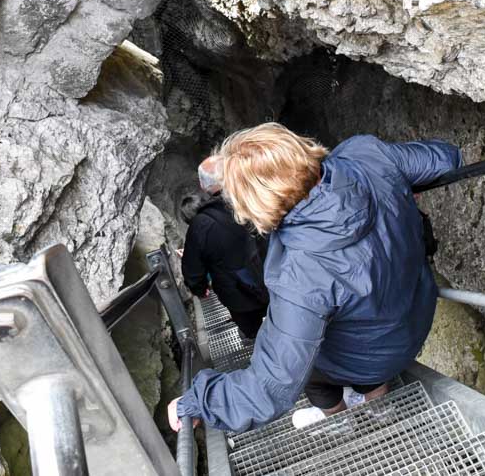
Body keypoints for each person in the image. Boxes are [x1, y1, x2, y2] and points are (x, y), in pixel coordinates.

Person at [168, 123, 462, 433]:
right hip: (415, 318)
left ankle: (341, 420)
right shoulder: (366, 154)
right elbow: (446, 158)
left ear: (254, 204)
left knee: (309, 370)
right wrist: (394, 184)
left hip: (373, 354)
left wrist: (198, 400)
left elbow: (271, 387)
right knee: (356, 339)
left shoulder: (299, 275)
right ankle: (379, 410)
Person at [179, 157, 269, 339]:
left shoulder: (200, 227)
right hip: (275, 277)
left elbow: (193, 272)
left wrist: (199, 289)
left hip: (241, 295)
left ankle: (260, 348)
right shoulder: (249, 197)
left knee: (252, 331)